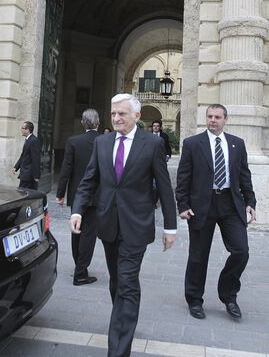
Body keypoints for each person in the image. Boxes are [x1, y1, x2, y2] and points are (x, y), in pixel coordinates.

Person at [70, 93, 177, 357]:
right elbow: (88, 180)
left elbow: (164, 187)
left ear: (136, 116)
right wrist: (77, 210)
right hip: (107, 224)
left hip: (137, 225)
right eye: (113, 113)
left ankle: (118, 349)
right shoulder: (103, 143)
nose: (116, 118)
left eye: (122, 114)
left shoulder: (152, 144)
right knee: (117, 282)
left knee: (127, 282)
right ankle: (125, 317)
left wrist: (170, 227)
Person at [176, 103, 256, 320]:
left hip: (230, 204)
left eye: (217, 117)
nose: (213, 120)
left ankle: (228, 294)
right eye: (210, 116)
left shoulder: (237, 144)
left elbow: (244, 175)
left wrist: (251, 202)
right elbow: (183, 177)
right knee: (198, 256)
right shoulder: (193, 144)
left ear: (225, 119)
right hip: (202, 205)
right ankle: (194, 299)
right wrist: (182, 205)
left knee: (241, 251)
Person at [56, 108, 100, 285]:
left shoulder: (73, 141)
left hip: (76, 194)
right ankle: (81, 272)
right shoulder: (104, 141)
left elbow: (66, 170)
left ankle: (79, 265)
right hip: (97, 195)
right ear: (98, 123)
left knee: (76, 231)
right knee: (89, 234)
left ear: (82, 123)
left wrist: (60, 194)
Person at [11, 121, 41, 189]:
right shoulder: (28, 140)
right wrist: (16, 167)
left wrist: (36, 176)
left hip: (29, 174)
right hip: (25, 174)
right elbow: (23, 156)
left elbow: (36, 159)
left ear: (27, 130)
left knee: (22, 194)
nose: (21, 130)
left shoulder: (34, 141)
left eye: (22, 128)